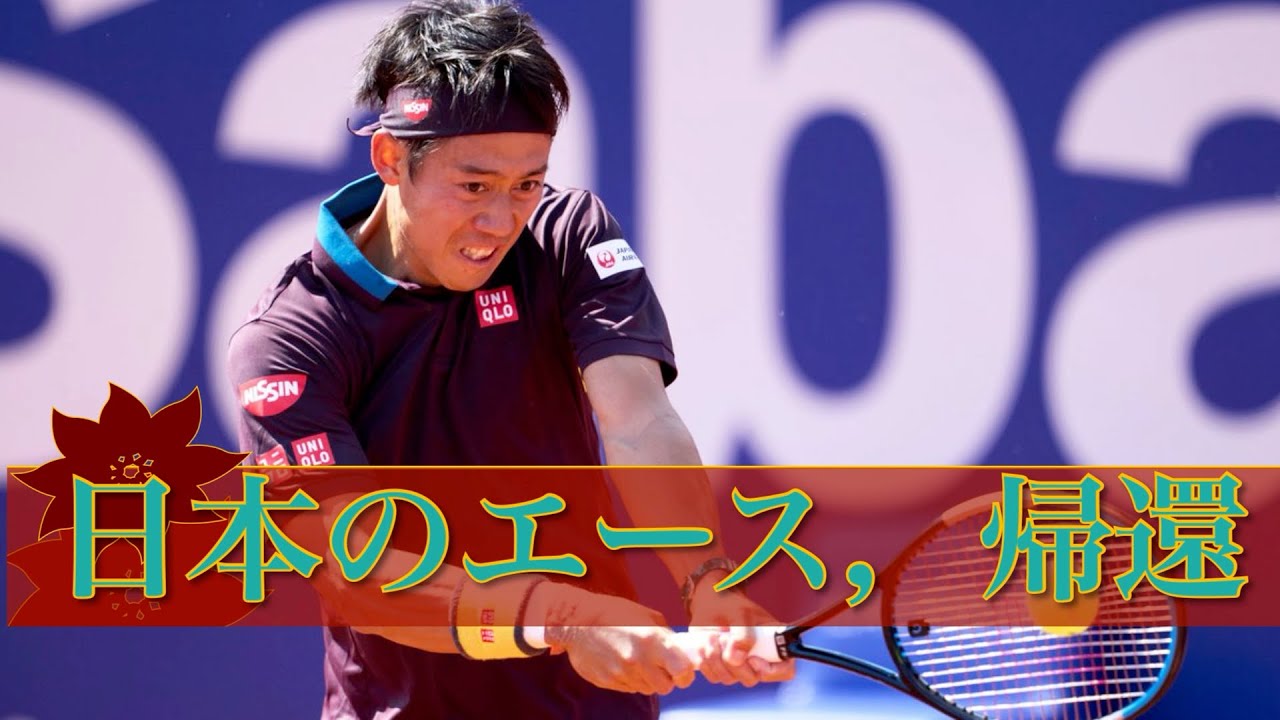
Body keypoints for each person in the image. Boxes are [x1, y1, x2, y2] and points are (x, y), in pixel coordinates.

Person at [227, 1, 793, 717]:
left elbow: (639, 421)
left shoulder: (567, 237)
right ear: (391, 158)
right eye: (474, 186)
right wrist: (561, 619)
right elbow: (357, 573)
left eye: (526, 183)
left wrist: (707, 580)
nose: (500, 222)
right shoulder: (288, 340)